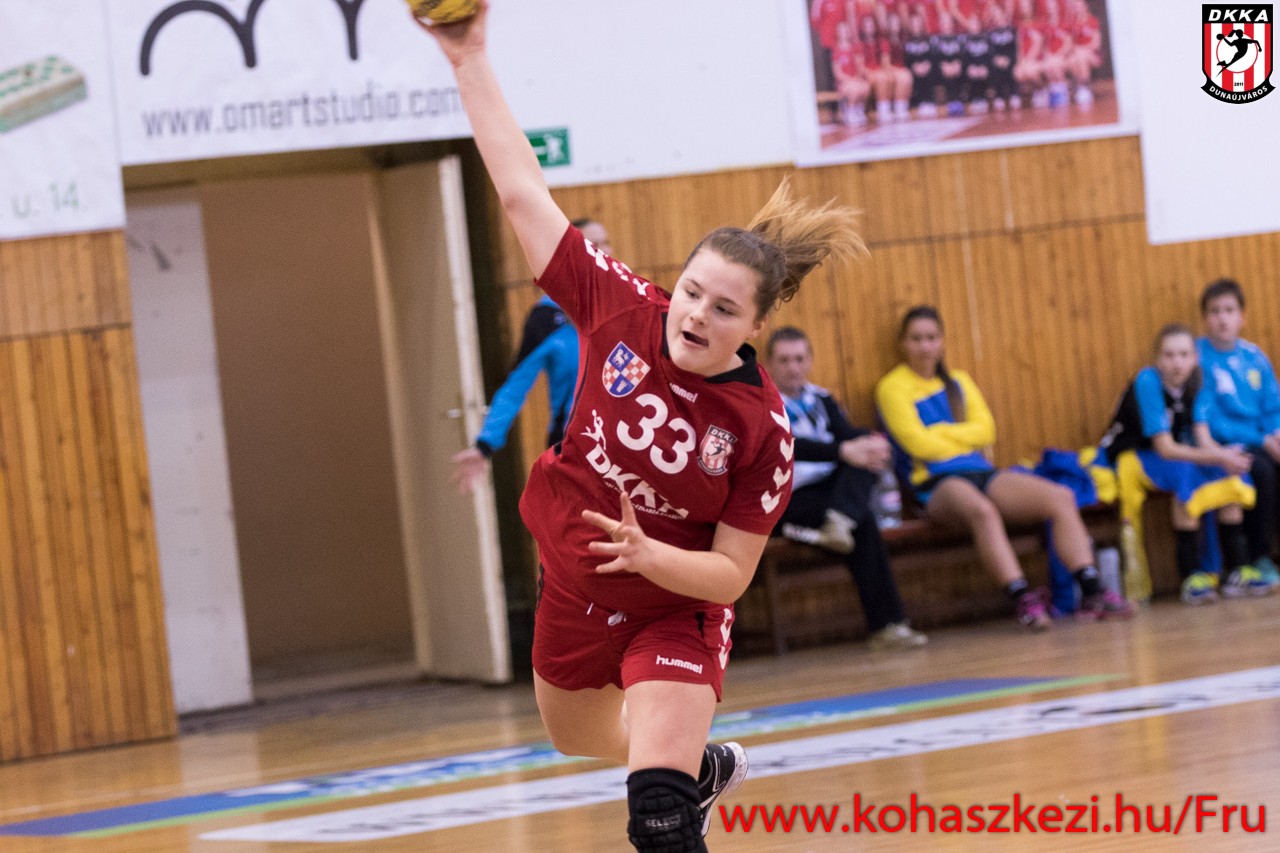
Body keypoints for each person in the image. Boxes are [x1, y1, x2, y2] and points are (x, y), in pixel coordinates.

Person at [414, 6, 866, 849]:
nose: (696, 314)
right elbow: (522, 192)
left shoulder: (762, 425)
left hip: (674, 607)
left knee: (657, 816)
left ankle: (674, 779)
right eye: (692, 290)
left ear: (755, 326)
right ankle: (697, 766)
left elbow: (729, 575)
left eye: (724, 308)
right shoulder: (619, 306)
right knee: (573, 736)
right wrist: (468, 58)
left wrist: (650, 555)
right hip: (575, 580)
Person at [875, 305, 1133, 629]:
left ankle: (1092, 590)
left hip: (981, 472)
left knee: (1060, 497)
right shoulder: (892, 387)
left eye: (932, 338)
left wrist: (939, 433)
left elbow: (986, 431)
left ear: (942, 341)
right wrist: (960, 436)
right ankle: (1022, 598)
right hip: (934, 482)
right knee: (982, 510)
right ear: (903, 343)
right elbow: (918, 445)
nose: (925, 346)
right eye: (916, 339)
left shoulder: (959, 382)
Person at [764, 326, 927, 651]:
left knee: (867, 456)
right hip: (788, 498)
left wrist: (870, 442)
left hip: (832, 492)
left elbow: (845, 435)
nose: (793, 367)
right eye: (784, 360)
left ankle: (840, 522)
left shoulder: (821, 398)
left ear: (810, 360)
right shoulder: (762, 403)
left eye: (799, 359)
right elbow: (788, 445)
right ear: (769, 364)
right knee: (862, 521)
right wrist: (842, 450)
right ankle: (887, 624)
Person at [1097, 324, 1256, 603]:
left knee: (1227, 470)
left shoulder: (1199, 381)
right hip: (1131, 456)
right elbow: (1165, 448)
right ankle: (1191, 575)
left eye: (1183, 354)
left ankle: (1236, 568)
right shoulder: (1148, 381)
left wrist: (1227, 457)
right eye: (1169, 355)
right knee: (1185, 474)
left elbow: (1203, 439)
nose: (1177, 362)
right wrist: (1219, 456)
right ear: (1157, 359)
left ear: (1194, 357)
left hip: (1175, 452)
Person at [452, 218, 611, 493]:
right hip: (574, 451)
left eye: (606, 243)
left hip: (629, 447)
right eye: (593, 245)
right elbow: (514, 388)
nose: (604, 252)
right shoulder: (545, 321)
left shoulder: (625, 306)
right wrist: (484, 445)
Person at [1194, 278, 1280, 594]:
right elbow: (1210, 419)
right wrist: (1263, 440)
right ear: (1205, 318)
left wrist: (1276, 434)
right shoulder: (1197, 358)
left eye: (1229, 310)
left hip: (1263, 438)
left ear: (1242, 316)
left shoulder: (1254, 356)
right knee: (1261, 471)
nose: (1222, 318)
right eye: (1215, 311)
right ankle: (1258, 558)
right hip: (1224, 445)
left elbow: (1273, 405)